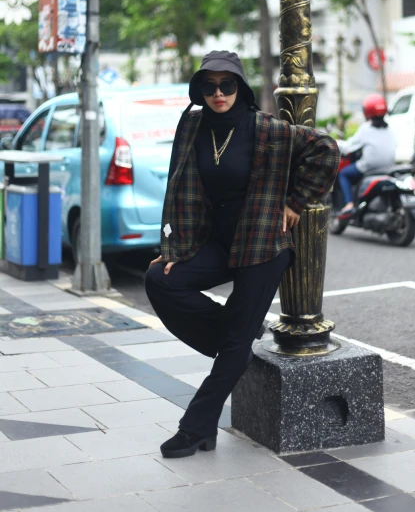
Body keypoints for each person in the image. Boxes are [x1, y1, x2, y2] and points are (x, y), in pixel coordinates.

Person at [145, 51, 340, 459]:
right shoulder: (192, 124)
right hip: (215, 243)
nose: (218, 93)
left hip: (263, 244)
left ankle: (196, 428)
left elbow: (326, 149)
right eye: (209, 86)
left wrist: (297, 201)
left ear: (241, 87)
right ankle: (234, 336)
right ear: (199, 90)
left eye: (227, 85)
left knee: (235, 341)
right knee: (161, 280)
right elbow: (176, 186)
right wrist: (174, 249)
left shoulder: (267, 128)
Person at [337, 94, 396, 217]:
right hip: (387, 168)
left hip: (368, 168)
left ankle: (349, 204)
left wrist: (335, 143)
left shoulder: (366, 128)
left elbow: (349, 147)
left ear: (367, 111)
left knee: (343, 174)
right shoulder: (389, 128)